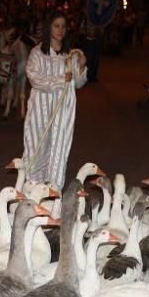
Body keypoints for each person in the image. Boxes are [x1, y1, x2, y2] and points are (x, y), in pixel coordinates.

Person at [22, 10, 87, 188]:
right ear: (49, 27)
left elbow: (79, 83)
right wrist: (59, 81)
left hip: (64, 108)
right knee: (38, 144)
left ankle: (53, 189)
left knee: (59, 146)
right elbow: (33, 78)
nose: (60, 30)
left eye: (63, 26)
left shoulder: (70, 55)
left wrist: (81, 67)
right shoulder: (37, 53)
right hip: (41, 108)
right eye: (56, 26)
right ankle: (32, 187)